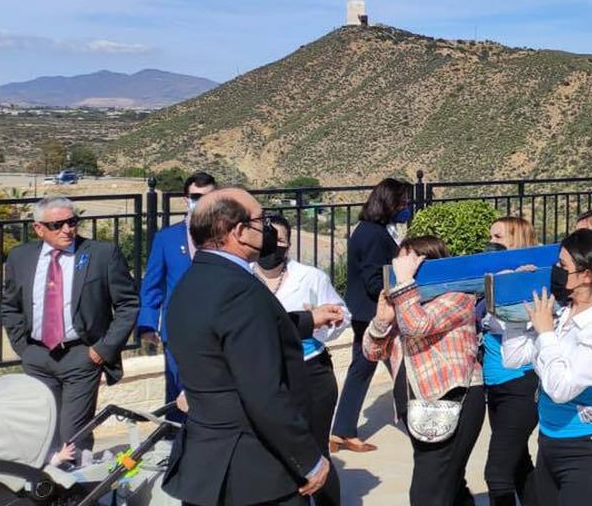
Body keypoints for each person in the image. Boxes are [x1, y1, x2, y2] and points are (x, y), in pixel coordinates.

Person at [162, 188, 329, 505]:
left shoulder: (192, 283)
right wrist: (308, 458)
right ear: (238, 231)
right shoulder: (240, 291)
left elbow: (238, 335)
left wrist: (308, 320)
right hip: (255, 472)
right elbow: (263, 392)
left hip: (208, 465)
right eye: (260, 220)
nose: (266, 230)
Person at [0, 196, 139, 457]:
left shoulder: (101, 254)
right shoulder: (21, 257)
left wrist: (103, 349)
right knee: (45, 429)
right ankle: (48, 491)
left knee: (73, 434)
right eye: (57, 225)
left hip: (81, 357)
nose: (67, 229)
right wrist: (23, 349)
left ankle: (78, 492)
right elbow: (10, 306)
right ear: (39, 228)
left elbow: (128, 305)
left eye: (72, 222)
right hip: (37, 357)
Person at [503, 230, 592, 506]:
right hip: (549, 443)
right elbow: (513, 358)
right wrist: (512, 308)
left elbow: (561, 389)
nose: (556, 271)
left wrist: (546, 333)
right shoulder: (563, 311)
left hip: (587, 451)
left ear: (587, 275)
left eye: (562, 266)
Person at [363, 236, 486, 506]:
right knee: (449, 484)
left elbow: (418, 325)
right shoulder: (403, 302)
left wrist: (405, 284)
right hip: (417, 405)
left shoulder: (458, 297)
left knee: (427, 493)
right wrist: (381, 321)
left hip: (454, 399)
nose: (400, 271)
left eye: (408, 264)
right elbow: (372, 352)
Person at [250, 215, 349, 506]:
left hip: (310, 372)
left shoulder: (311, 277)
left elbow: (341, 316)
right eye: (268, 239)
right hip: (265, 376)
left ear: (289, 244)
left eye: (279, 240)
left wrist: (320, 322)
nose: (273, 246)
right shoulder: (243, 278)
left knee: (315, 452)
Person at [332, 177, 412, 454]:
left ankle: (342, 430)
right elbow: (374, 279)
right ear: (390, 203)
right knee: (397, 367)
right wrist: (402, 293)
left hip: (366, 311)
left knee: (365, 369)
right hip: (373, 314)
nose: (407, 207)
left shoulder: (370, 230)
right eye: (404, 202)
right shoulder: (374, 235)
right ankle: (419, 421)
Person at [137, 171, 217, 420]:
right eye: (196, 196)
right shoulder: (166, 238)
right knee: (177, 391)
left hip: (217, 328)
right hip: (178, 330)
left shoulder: (226, 237)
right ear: (186, 199)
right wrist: (147, 324)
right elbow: (153, 285)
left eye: (209, 196)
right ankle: (175, 446)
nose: (202, 201)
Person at [479, 214, 541, 505]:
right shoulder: (493, 278)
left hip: (520, 383)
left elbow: (514, 325)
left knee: (497, 474)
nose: (492, 243)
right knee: (518, 464)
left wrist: (510, 283)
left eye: (499, 237)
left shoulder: (529, 279)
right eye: (491, 236)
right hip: (497, 384)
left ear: (517, 241)